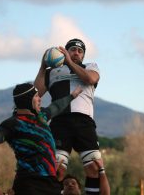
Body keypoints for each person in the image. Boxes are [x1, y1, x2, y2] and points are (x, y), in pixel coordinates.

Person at [0, 82, 82, 195]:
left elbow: (56, 107)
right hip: (29, 183)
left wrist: (72, 96)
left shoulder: (41, 116)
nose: (40, 99)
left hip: (50, 182)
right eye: (36, 96)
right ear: (27, 100)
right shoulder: (12, 123)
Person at [35, 38, 108, 194]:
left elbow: (90, 79)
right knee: (57, 170)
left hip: (84, 122)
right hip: (59, 122)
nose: (76, 53)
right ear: (65, 52)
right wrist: (42, 67)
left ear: (83, 56)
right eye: (72, 50)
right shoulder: (51, 71)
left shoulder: (90, 67)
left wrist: (69, 62)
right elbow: (36, 93)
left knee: (93, 167)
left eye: (80, 51)